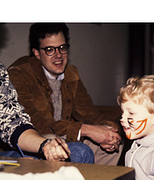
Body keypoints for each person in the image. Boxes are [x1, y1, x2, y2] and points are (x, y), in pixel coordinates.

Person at [0, 23, 94, 164]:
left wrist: (46, 146)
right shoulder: (21, 72)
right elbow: (40, 123)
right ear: (36, 52)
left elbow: (13, 123)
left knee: (80, 152)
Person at [8, 23, 122, 166]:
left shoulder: (71, 74)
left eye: (62, 48)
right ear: (36, 53)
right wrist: (85, 130)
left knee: (111, 148)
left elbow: (91, 115)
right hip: (36, 139)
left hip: (63, 136)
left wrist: (110, 131)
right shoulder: (19, 74)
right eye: (50, 50)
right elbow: (35, 123)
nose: (58, 55)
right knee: (71, 147)